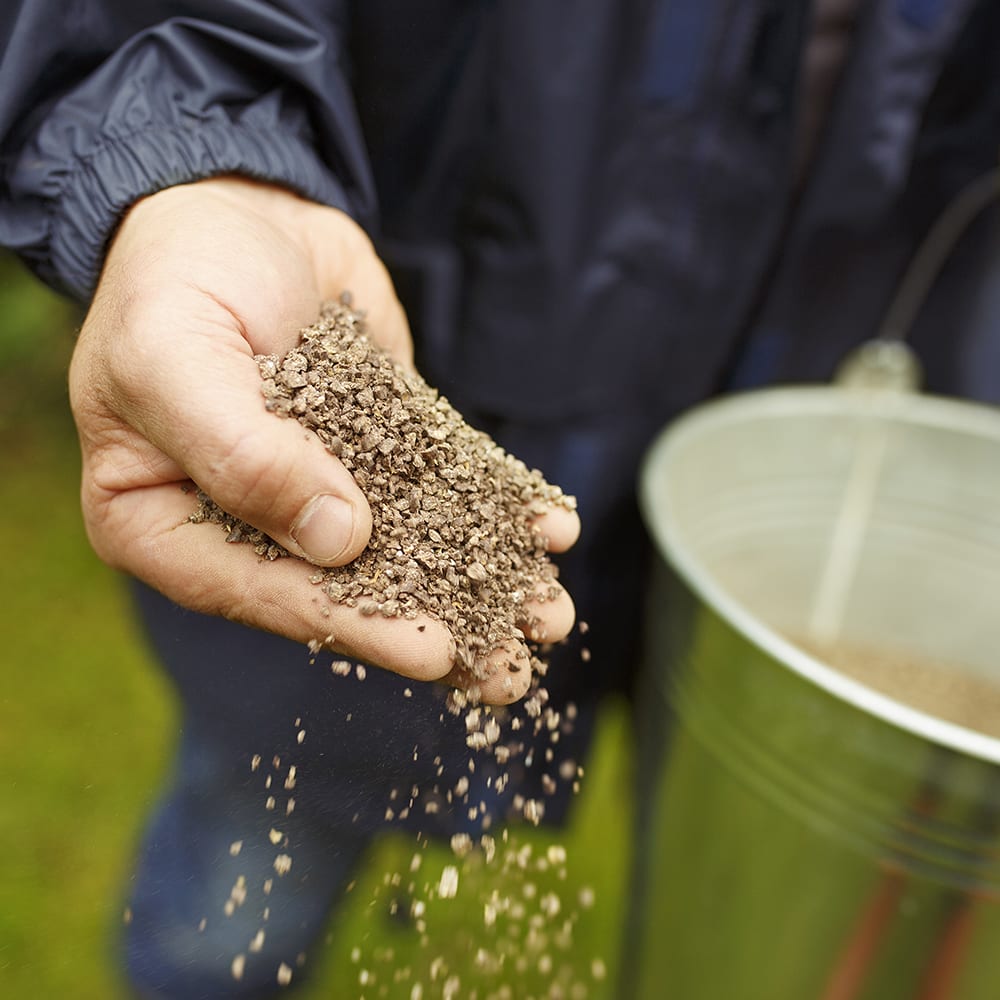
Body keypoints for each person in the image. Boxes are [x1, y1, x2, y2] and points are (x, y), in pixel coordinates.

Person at [2, 1, 999, 996]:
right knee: (237, 890)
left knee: (752, 915)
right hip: (409, 312)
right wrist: (196, 155)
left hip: (818, 460)